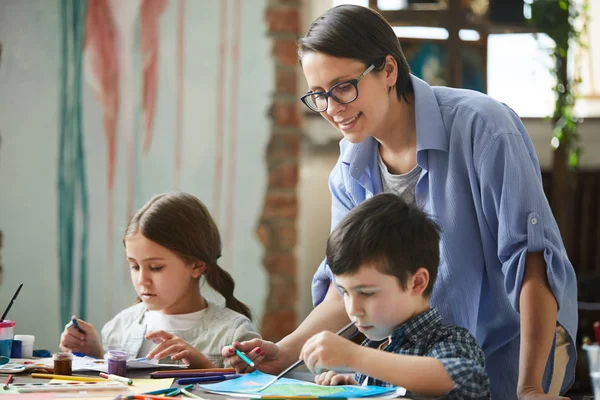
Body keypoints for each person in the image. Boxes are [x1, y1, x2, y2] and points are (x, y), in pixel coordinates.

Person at [223, 5, 577, 399]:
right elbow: (349, 287)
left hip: (514, 356)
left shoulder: (483, 128)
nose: (332, 108)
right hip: (414, 371)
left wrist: (529, 386)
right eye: (319, 95)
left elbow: (531, 263)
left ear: (389, 71)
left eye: (343, 87)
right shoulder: (348, 170)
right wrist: (285, 351)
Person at [299, 193, 490, 399]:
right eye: (345, 292)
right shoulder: (376, 348)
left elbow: (466, 380)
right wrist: (355, 389)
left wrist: (354, 356)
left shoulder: (448, 341)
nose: (353, 309)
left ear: (417, 282)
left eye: (367, 293)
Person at [60, 192, 260, 368]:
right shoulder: (118, 328)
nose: (142, 280)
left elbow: (254, 391)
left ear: (197, 266)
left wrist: (204, 367)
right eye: (134, 266)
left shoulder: (233, 334)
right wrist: (94, 356)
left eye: (156, 267)